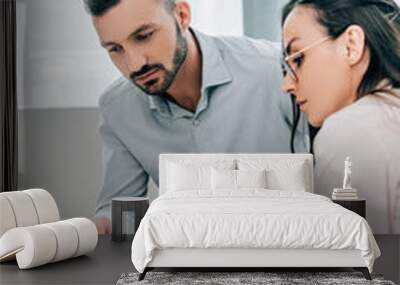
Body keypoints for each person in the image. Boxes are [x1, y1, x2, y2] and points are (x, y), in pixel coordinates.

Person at [83, 0, 310, 234]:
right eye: (115, 49)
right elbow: (120, 213)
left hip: (289, 248)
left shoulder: (275, 70)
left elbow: (329, 176)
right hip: (189, 262)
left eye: (144, 36)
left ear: (181, 15)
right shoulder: (118, 108)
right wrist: (86, 232)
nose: (134, 64)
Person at [281, 0, 400, 234]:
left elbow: (352, 263)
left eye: (298, 58)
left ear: (351, 45)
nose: (286, 85)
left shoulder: (349, 131)